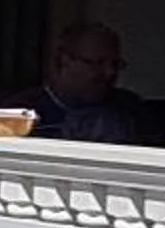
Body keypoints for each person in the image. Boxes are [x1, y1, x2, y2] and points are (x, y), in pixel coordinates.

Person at [14, 22, 145, 143]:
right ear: (63, 62)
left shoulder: (130, 108)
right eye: (98, 63)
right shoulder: (19, 113)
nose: (110, 72)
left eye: (115, 64)